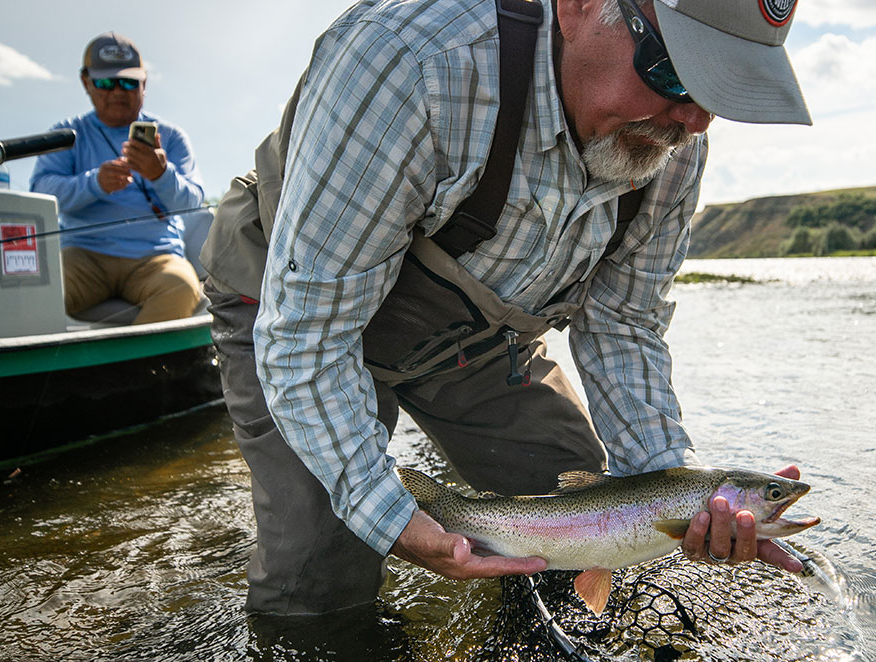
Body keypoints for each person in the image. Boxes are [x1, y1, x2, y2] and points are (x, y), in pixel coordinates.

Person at [201, 0, 812, 617]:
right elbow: (307, 337)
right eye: (674, 72)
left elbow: (623, 325)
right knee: (319, 577)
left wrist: (677, 495)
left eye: (720, 92)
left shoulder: (671, 141)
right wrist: (389, 515)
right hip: (291, 306)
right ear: (580, 7)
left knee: (568, 485)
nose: (694, 121)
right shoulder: (410, 61)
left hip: (472, 335)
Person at [31, 32, 205, 324]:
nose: (117, 91)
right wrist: (94, 183)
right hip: (82, 255)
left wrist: (160, 174)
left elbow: (193, 203)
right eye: (105, 82)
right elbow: (41, 194)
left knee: (183, 288)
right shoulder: (64, 134)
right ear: (85, 82)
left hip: (158, 258)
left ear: (144, 84)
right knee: (36, 292)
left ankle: (139, 368)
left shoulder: (172, 137)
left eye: (128, 82)